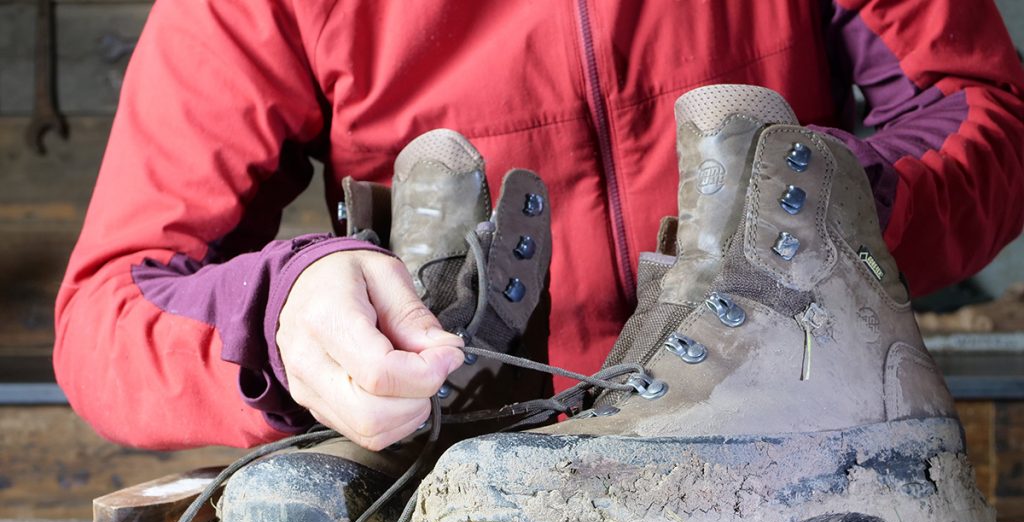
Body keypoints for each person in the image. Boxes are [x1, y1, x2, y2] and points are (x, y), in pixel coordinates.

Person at [54, 0, 1024, 453]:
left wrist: (823, 206)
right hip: (460, 492)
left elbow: (983, 116)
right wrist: (281, 310)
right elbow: (107, 307)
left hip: (792, 457)